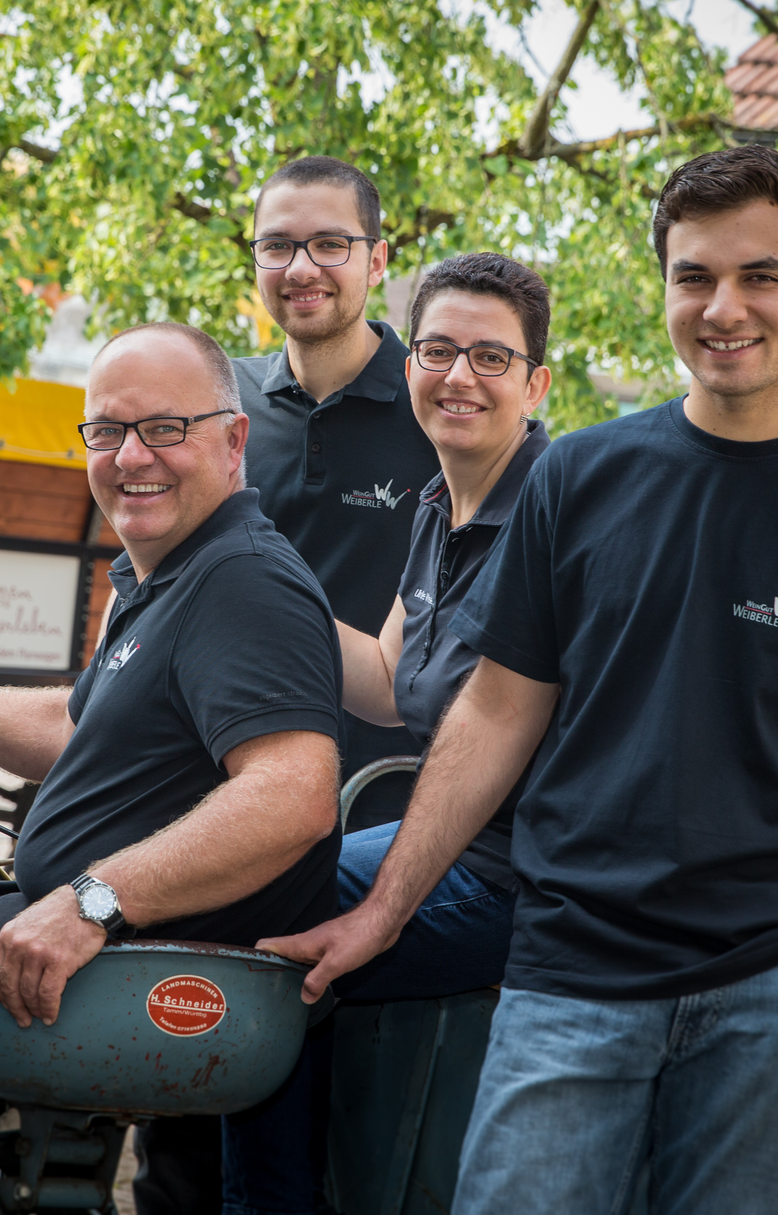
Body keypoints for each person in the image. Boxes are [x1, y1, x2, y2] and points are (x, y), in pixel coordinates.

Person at [262, 145, 778, 1214]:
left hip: (774, 990)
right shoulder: (579, 476)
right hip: (569, 971)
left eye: (760, 276)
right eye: (694, 275)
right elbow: (495, 713)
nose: (723, 307)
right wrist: (385, 910)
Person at [0, 322, 342, 1215]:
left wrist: (91, 902)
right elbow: (76, 727)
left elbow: (294, 794)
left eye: (164, 429)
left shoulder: (243, 580)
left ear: (234, 439)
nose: (131, 457)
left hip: (121, 972)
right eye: (107, 431)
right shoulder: (171, 576)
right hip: (90, 945)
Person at [330, 251, 552, 999]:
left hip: (518, 878)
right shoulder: (437, 503)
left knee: (268, 894)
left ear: (535, 385)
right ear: (410, 368)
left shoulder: (554, 513)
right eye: (438, 351)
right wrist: (263, 605)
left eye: (491, 357)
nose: (459, 376)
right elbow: (388, 681)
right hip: (446, 841)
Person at [232, 155, 442, 812]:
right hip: (225, 782)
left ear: (376, 262)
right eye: (277, 246)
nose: (300, 268)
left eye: (330, 244)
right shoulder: (217, 404)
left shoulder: (442, 408)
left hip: (386, 798)